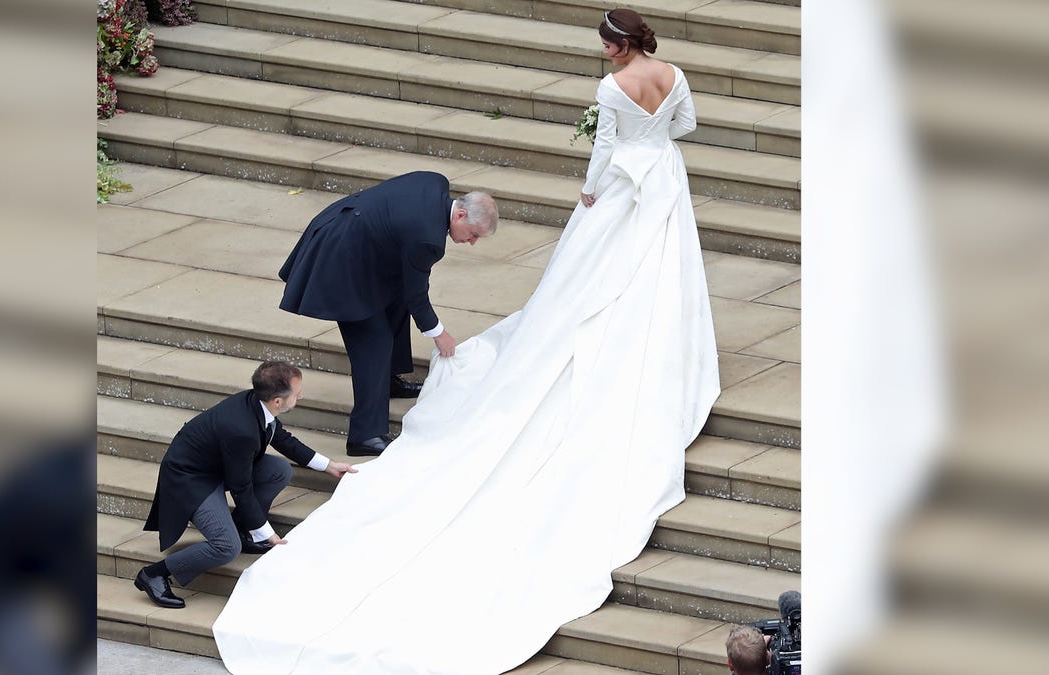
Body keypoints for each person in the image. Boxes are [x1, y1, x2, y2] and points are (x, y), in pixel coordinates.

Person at [214, 8, 719, 673]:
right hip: (663, 184)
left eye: (604, 43)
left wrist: (593, 194)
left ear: (621, 45)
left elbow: (602, 156)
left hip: (621, 187)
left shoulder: (609, 89)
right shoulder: (673, 74)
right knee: (658, 274)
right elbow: (682, 126)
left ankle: (374, 421)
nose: (600, 51)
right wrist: (651, 148)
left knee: (584, 283)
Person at [278, 171, 499, 457]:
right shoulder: (428, 239)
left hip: (358, 241)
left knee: (395, 302)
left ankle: (388, 381)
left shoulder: (435, 183)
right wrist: (438, 332)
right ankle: (365, 435)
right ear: (460, 216)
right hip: (341, 258)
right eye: (473, 234)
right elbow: (417, 295)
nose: (472, 242)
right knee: (374, 341)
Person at [135, 362, 357, 609]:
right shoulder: (242, 429)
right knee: (227, 547)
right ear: (277, 401)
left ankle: (244, 530)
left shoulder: (256, 402)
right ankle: (154, 574)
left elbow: (282, 439)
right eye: (297, 392)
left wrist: (329, 465)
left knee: (279, 470)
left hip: (219, 465)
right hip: (191, 479)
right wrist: (267, 533)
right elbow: (242, 489)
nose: (301, 395)